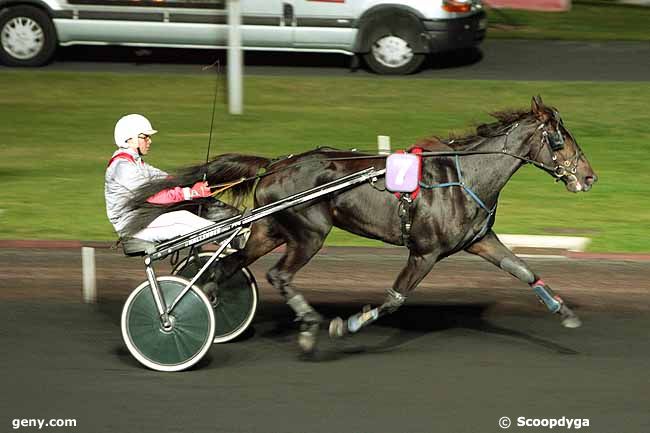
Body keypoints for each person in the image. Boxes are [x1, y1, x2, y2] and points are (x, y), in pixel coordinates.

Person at [105, 114, 225, 243]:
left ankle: (227, 236)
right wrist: (191, 192)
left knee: (186, 212)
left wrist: (191, 183)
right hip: (132, 225)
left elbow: (165, 179)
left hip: (144, 218)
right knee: (182, 220)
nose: (149, 141)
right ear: (130, 139)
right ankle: (229, 238)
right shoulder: (123, 168)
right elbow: (155, 197)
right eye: (145, 137)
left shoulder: (136, 163)